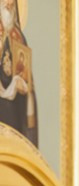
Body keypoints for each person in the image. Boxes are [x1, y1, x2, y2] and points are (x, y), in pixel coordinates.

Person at [0, 0, 37, 146]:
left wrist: (24, 87)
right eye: (4, 2)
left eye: (11, 2)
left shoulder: (19, 38)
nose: (8, 4)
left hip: (14, 116)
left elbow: (28, 83)